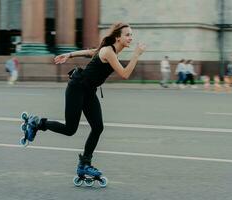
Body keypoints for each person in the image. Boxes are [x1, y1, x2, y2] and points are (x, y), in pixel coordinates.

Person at [21, 22, 146, 181]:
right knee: (70, 129)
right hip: (77, 88)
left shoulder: (109, 51)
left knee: (98, 127)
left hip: (88, 91)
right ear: (118, 37)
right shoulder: (108, 51)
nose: (131, 37)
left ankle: (84, 164)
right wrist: (136, 54)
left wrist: (70, 55)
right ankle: (37, 123)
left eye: (131, 34)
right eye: (127, 34)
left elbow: (91, 52)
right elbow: (125, 74)